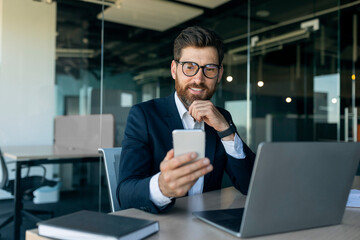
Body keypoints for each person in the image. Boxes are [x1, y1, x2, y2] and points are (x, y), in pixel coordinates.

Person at [118, 26, 255, 213]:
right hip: (163, 223)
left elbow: (250, 185)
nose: (199, 78)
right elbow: (125, 194)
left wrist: (225, 128)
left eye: (210, 69)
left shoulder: (222, 118)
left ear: (219, 74)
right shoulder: (144, 115)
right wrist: (162, 187)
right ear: (174, 70)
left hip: (208, 223)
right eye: (189, 67)